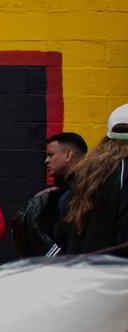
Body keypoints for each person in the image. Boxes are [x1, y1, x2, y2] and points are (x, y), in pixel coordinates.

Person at [53, 105, 128, 257]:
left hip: (82, 271)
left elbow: (61, 231)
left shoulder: (88, 170)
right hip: (113, 274)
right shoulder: (123, 172)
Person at [13, 132, 88, 258]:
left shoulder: (77, 194)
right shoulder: (91, 186)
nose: (46, 160)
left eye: (51, 155)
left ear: (68, 155)